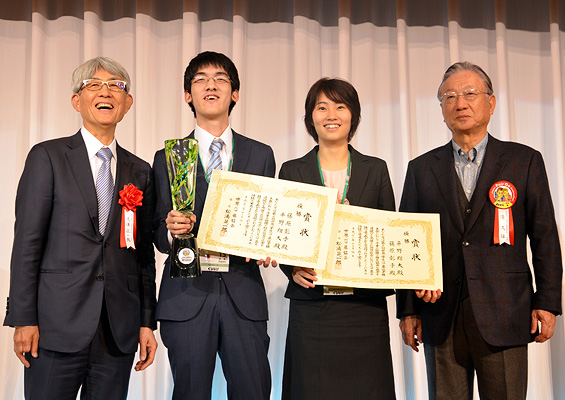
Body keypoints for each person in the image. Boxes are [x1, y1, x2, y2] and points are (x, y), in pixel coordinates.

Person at [396, 61, 563, 399]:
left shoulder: (524, 161)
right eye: (450, 96)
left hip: (507, 312)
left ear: (491, 102)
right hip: (440, 315)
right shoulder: (421, 168)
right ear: (442, 110)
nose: (460, 103)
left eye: (470, 93)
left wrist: (547, 302)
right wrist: (408, 309)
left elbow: (544, 236)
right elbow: (405, 241)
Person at [3, 56, 157, 400]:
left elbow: (143, 254)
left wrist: (147, 321)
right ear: (77, 99)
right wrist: (23, 319)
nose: (107, 92)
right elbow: (27, 243)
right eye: (95, 85)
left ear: (127, 103)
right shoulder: (48, 157)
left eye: (116, 86)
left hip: (118, 330)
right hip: (55, 326)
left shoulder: (140, 170)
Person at [152, 51, 276, 400]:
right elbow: (156, 234)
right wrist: (169, 229)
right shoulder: (170, 156)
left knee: (253, 390)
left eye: (221, 79)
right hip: (186, 295)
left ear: (234, 94)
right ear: (188, 95)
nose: (211, 85)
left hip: (244, 293)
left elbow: (268, 216)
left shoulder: (260, 154)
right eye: (201, 79)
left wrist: (270, 245)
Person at [278, 78, 397, 399]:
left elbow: (390, 236)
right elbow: (282, 236)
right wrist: (291, 269)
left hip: (363, 311)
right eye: (322, 107)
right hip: (313, 310)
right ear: (310, 117)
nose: (331, 114)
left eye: (340, 106)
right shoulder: (292, 171)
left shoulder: (376, 170)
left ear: (353, 115)